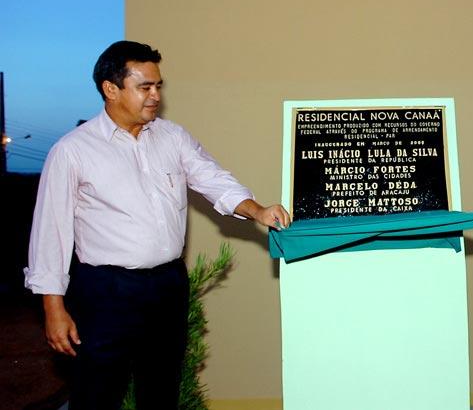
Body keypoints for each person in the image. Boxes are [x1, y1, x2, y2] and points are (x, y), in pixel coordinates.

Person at [24, 41, 291, 410]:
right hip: (106, 292)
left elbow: (213, 180)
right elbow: (50, 232)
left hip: (168, 287)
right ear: (111, 89)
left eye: (158, 86)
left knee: (162, 392)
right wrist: (53, 308)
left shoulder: (173, 137)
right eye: (144, 87)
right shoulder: (73, 151)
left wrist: (257, 211)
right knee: (97, 395)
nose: (155, 96)